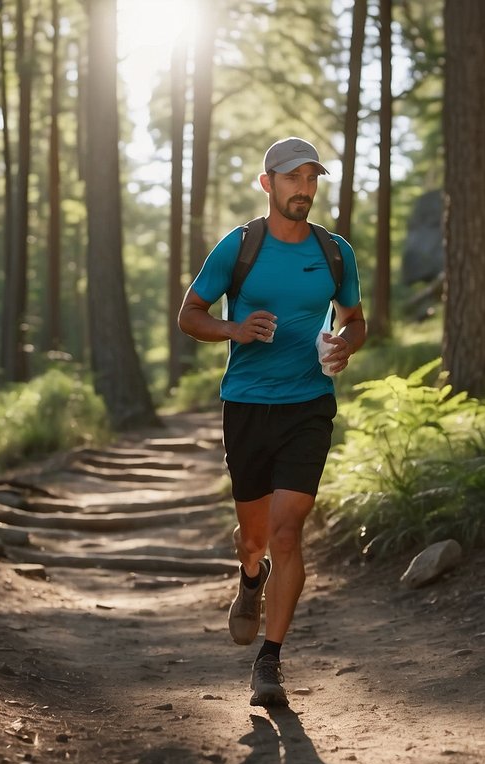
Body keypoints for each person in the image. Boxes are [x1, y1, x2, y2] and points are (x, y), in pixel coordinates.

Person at [178, 137, 365, 707]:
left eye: (311, 178)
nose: (304, 188)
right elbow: (190, 315)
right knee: (255, 537)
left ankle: (270, 661)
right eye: (292, 178)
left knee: (287, 533)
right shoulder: (240, 248)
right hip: (248, 403)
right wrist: (235, 331)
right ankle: (249, 578)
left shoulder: (335, 253)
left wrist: (344, 348)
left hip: (308, 404)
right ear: (268, 184)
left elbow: (355, 319)